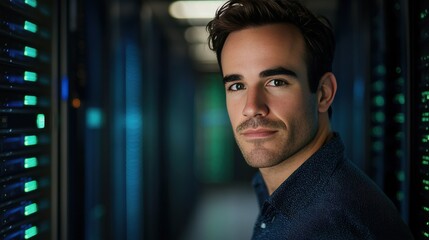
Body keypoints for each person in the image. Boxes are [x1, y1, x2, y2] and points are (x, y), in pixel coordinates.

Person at [206, 0, 414, 239]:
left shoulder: (330, 226)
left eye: (276, 82)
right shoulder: (293, 197)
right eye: (237, 85)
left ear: (323, 93)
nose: (252, 107)